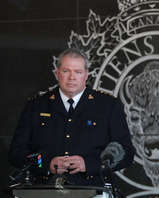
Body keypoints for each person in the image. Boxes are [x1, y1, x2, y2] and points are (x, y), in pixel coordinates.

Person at [8, 47, 134, 186]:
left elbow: (126, 153)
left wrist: (88, 164)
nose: (71, 77)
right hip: (46, 193)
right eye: (66, 71)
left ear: (86, 74)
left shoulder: (107, 105)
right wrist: (46, 164)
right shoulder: (36, 105)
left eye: (78, 72)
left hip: (93, 192)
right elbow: (16, 152)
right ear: (57, 73)